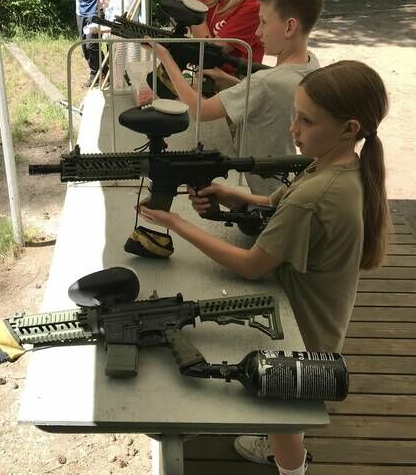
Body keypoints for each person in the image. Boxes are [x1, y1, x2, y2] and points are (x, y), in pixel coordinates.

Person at [138, 59, 391, 475]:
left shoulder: (317, 193)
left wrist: (176, 223)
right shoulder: (337, 164)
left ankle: (292, 467)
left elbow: (251, 265)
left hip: (302, 326)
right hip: (320, 309)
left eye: (306, 121)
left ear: (349, 128)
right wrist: (232, 194)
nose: (293, 129)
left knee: (284, 407)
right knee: (284, 404)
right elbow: (277, 203)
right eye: (295, 115)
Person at [144, 0, 323, 195]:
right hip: (282, 184)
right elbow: (269, 96)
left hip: (261, 193)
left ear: (290, 27)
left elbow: (200, 111)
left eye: (264, 22)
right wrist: (228, 79)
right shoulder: (310, 64)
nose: (257, 32)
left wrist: (165, 57)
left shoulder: (265, 82)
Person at [140, 0, 265, 101]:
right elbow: (183, 24)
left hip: (235, 89)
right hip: (205, 80)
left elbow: (209, 51)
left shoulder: (255, 0)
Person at [76, 0, 106, 87]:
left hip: (94, 13)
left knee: (91, 45)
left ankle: (96, 75)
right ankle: (104, 71)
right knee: (85, 48)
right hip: (80, 12)